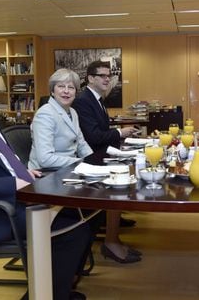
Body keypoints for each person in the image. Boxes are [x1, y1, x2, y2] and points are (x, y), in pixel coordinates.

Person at [0, 37, 91, 299]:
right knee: (72, 228)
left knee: (76, 212)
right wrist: (10, 183)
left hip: (5, 199)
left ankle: (52, 289)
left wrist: (23, 172)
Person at [72, 60, 141, 263]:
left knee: (131, 167)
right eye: (102, 75)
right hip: (93, 159)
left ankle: (114, 236)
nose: (107, 79)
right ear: (90, 78)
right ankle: (111, 242)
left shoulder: (98, 99)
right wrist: (120, 132)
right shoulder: (84, 100)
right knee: (122, 178)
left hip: (100, 154)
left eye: (108, 75)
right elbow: (93, 137)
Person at [28, 68, 93, 170]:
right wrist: (79, 162)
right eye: (61, 86)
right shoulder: (45, 114)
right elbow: (45, 159)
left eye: (71, 87)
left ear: (76, 92)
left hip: (68, 169)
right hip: (47, 174)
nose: (66, 91)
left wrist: (93, 161)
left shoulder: (73, 112)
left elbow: (81, 144)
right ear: (52, 91)